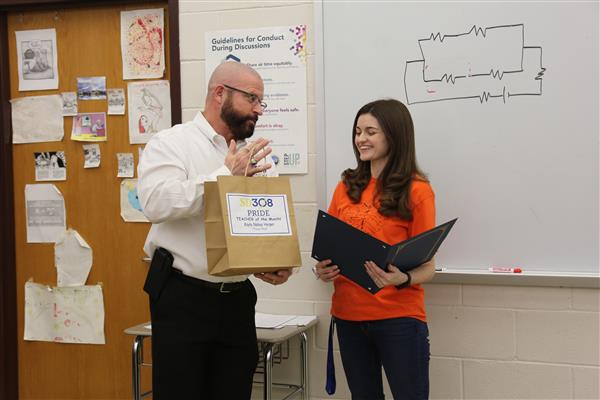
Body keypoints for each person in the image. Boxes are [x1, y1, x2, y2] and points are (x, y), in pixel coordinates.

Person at [137, 61, 293, 399]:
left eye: (261, 102)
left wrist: (276, 261)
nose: (259, 109)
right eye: (252, 98)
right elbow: (155, 203)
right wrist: (225, 178)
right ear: (220, 93)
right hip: (183, 298)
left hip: (237, 301)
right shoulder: (171, 143)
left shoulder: (256, 156)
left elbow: (262, 225)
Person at [314, 99, 436, 400]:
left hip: (399, 319)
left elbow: (428, 267)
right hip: (349, 317)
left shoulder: (417, 190)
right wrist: (322, 270)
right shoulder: (346, 186)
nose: (361, 139)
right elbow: (330, 246)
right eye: (358, 132)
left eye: (370, 132)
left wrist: (402, 278)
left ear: (394, 136)